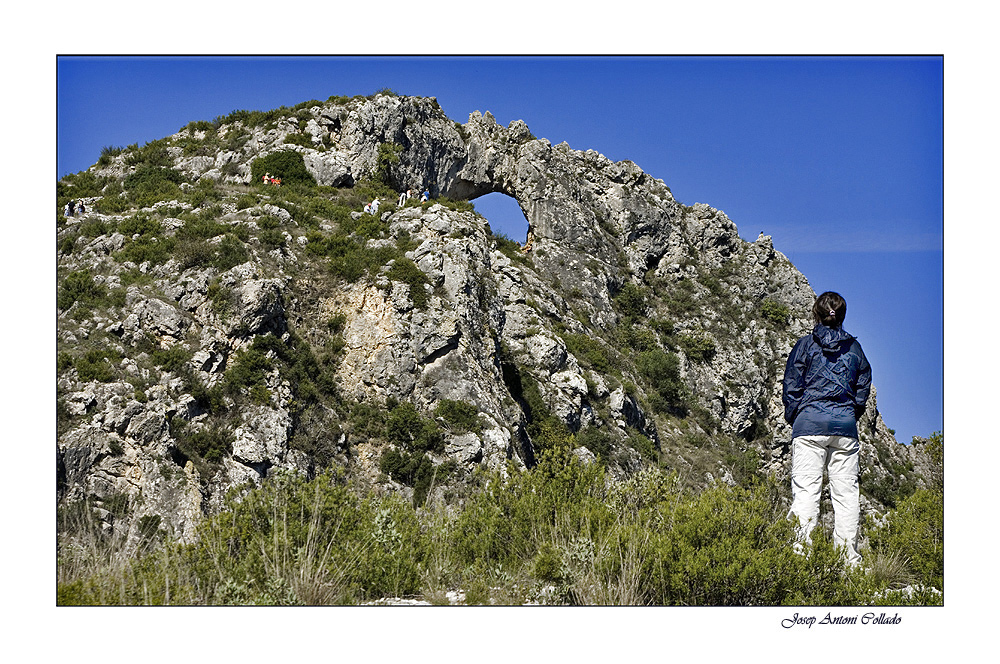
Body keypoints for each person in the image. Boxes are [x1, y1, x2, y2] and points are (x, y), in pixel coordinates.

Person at [782, 291, 871, 566]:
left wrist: (796, 415)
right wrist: (849, 414)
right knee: (845, 496)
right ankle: (848, 562)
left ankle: (800, 557)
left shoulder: (805, 345)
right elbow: (863, 386)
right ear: (841, 316)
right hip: (844, 428)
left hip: (809, 426)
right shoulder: (855, 349)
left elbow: (792, 385)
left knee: (806, 491)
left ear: (816, 313)